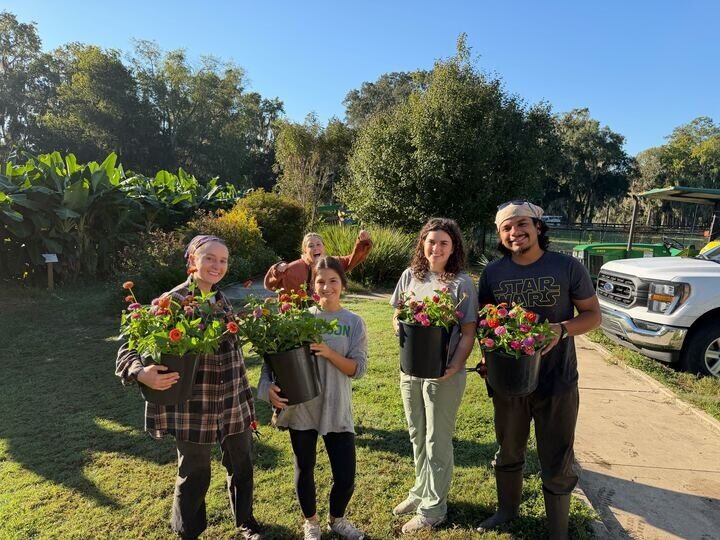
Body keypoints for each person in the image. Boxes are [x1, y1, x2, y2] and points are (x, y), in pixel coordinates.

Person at [116, 235, 260, 540]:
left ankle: (246, 521)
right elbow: (128, 347)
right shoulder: (173, 301)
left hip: (233, 400)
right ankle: (188, 532)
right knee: (194, 473)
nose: (216, 265)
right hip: (193, 407)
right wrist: (140, 372)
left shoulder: (221, 300)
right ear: (192, 261)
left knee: (242, 463)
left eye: (222, 260)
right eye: (209, 258)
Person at [476, 201, 601, 539]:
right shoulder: (494, 273)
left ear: (537, 227)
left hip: (557, 380)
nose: (515, 232)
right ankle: (506, 511)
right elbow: (486, 325)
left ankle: (557, 529)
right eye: (507, 228)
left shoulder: (566, 266)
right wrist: (488, 359)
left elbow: (593, 314)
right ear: (501, 236)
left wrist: (561, 329)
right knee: (508, 449)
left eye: (521, 225)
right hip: (509, 382)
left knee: (558, 456)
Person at [258, 256, 368, 540]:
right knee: (304, 468)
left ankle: (337, 519)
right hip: (302, 407)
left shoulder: (353, 322)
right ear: (311, 285)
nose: (327, 286)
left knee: (345, 476)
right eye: (320, 281)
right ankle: (312, 522)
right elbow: (272, 359)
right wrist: (267, 387)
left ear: (343, 284)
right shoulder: (298, 319)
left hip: (336, 406)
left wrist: (329, 353)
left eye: (333, 281)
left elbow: (358, 370)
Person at [389, 217, 478, 534]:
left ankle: (434, 508)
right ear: (422, 244)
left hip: (444, 374)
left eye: (444, 242)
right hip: (410, 370)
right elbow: (397, 313)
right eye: (431, 241)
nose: (436, 248)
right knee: (417, 435)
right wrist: (399, 323)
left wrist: (455, 365)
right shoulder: (410, 277)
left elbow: (468, 333)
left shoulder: (461, 284)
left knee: (436, 440)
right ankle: (419, 490)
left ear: (453, 247)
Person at [263, 230, 372, 293]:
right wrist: (276, 269)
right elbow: (269, 285)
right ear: (304, 250)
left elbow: (351, 261)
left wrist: (362, 242)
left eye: (318, 244)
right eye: (311, 245)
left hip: (325, 316)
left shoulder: (332, 263)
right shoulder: (292, 269)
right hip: (297, 321)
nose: (315, 248)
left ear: (324, 247)